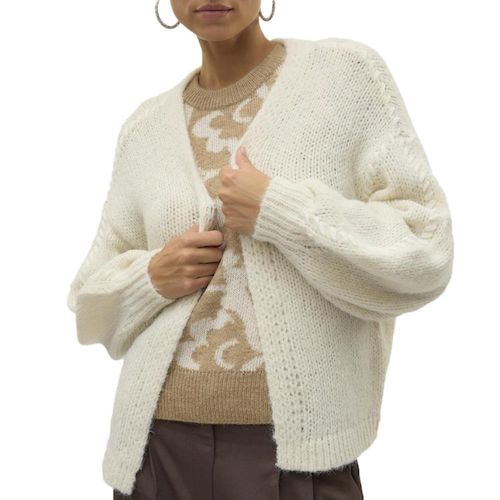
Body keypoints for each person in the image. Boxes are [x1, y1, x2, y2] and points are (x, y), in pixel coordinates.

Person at [67, 1, 455, 499]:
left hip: (298, 456)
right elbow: (89, 306)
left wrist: (280, 210)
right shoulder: (143, 130)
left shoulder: (344, 77)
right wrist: (151, 278)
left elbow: (427, 247)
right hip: (156, 447)